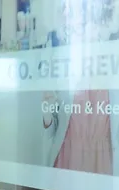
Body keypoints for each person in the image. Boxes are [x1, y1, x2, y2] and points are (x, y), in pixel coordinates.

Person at [42, 0, 119, 175]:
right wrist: (46, 112)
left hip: (103, 164)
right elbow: (51, 130)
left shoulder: (114, 60)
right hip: (66, 160)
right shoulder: (63, 58)